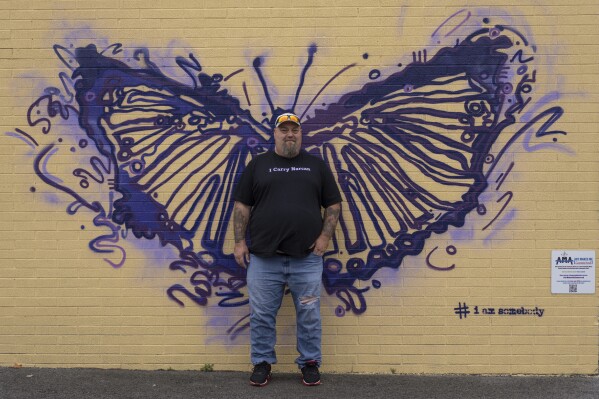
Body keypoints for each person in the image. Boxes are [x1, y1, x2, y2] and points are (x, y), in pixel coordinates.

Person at [233, 112, 342, 387]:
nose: (290, 134)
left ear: (301, 134)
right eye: (284, 130)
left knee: (308, 314)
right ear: (275, 134)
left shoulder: (315, 166)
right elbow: (242, 206)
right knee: (261, 314)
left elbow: (333, 205)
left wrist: (325, 237)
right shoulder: (258, 165)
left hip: (306, 259)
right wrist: (238, 241)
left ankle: (309, 363)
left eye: (294, 130)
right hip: (264, 259)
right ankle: (261, 362)